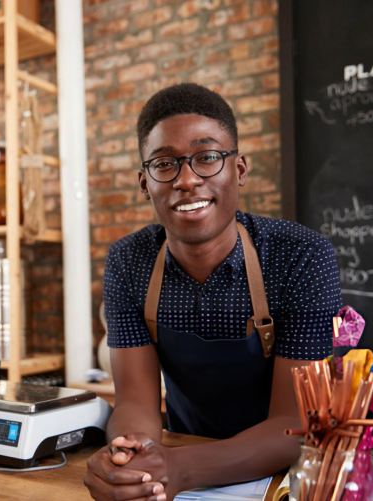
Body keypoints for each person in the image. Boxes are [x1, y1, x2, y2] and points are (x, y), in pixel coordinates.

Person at [83, 83, 343, 501]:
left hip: (285, 477)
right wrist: (131, 458)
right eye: (164, 164)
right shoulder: (128, 262)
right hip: (182, 459)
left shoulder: (301, 257)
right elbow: (134, 401)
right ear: (144, 183)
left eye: (207, 157)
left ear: (238, 169)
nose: (186, 180)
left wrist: (178, 470)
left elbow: (296, 424)